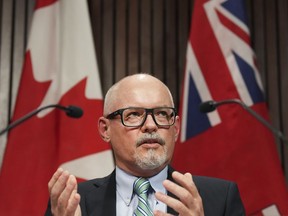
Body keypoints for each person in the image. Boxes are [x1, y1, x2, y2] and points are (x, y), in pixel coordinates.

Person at [45, 74, 245, 216]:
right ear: (105, 130)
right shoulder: (73, 202)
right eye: (133, 115)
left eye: (161, 114)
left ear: (175, 128)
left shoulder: (220, 199)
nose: (151, 126)